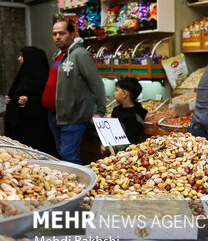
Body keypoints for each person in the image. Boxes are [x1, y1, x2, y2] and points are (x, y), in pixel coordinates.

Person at [42, 20, 106, 164]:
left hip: (73, 117)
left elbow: (97, 84)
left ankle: (81, 185)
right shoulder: (59, 55)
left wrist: (100, 111)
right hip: (55, 116)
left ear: (72, 34)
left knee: (68, 156)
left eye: (62, 33)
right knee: (62, 154)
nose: (58, 37)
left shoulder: (80, 54)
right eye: (54, 34)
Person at [3, 47, 57, 156]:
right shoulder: (23, 73)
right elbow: (16, 93)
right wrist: (11, 100)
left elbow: (43, 98)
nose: (19, 59)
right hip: (19, 126)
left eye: (21, 56)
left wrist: (29, 100)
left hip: (34, 127)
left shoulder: (42, 77)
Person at [106, 77, 148, 152]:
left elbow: (131, 145)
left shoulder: (135, 117)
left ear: (124, 94)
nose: (114, 93)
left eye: (117, 90)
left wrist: (110, 147)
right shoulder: (116, 110)